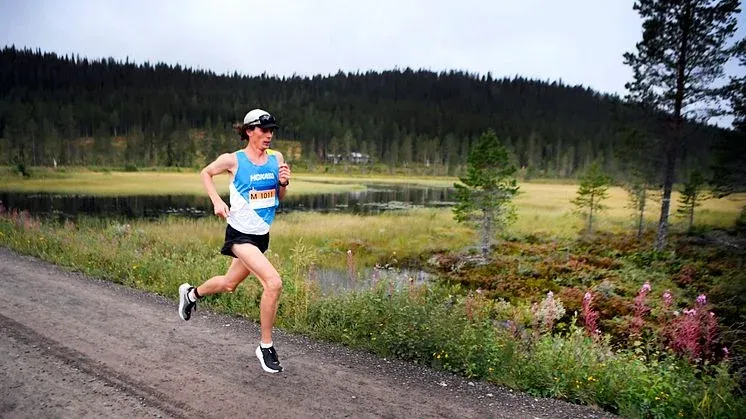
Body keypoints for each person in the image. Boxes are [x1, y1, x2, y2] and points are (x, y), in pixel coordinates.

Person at [178, 108, 291, 373]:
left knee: (229, 284)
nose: (269, 135)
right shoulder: (233, 160)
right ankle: (265, 347)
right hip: (239, 235)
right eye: (263, 130)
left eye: (272, 130)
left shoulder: (277, 159)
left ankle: (191, 294)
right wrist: (217, 201)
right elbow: (206, 173)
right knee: (273, 283)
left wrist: (284, 183)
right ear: (249, 131)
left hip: (261, 235)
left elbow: (279, 198)